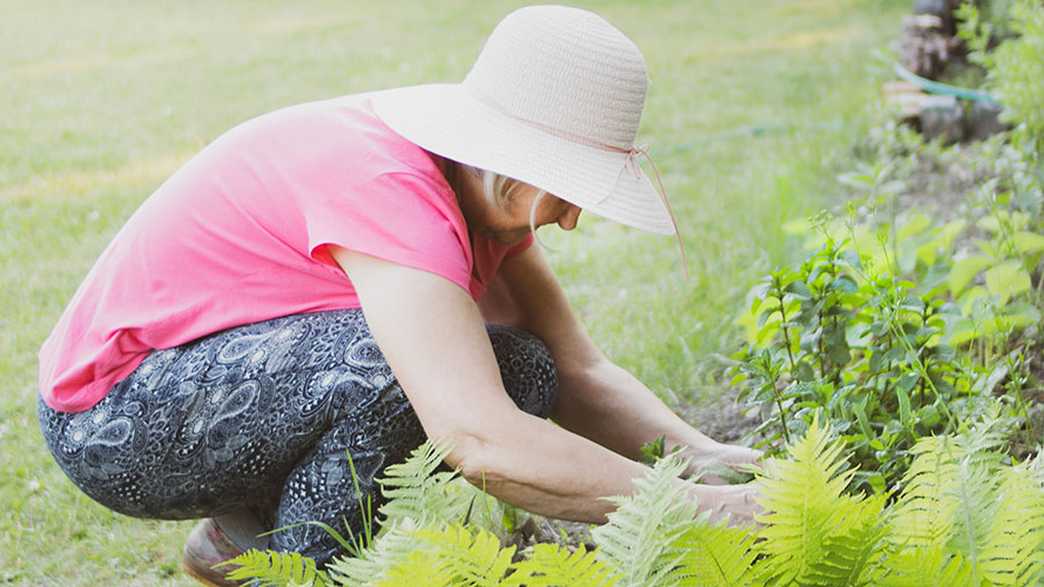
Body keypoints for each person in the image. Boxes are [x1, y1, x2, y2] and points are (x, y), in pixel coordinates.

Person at [36, 5, 762, 585]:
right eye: (570, 188)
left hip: (206, 382)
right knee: (393, 375)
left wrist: (711, 461)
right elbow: (476, 436)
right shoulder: (391, 192)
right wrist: (707, 512)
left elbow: (580, 370)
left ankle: (242, 540)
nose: (573, 218)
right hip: (111, 414)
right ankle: (292, 574)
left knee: (525, 368)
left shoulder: (480, 197)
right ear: (510, 160)